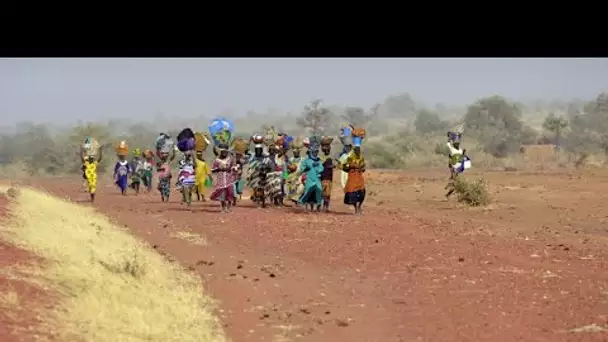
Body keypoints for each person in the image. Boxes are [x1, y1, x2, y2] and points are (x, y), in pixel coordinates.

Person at [246, 136, 274, 208]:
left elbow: (271, 166)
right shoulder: (252, 156)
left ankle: (264, 202)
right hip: (255, 176)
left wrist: (266, 170)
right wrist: (250, 141)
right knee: (256, 189)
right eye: (256, 150)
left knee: (265, 190)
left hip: (264, 176)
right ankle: (258, 202)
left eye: (259, 150)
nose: (258, 151)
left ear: (261, 150)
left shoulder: (265, 158)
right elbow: (246, 151)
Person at [297, 143, 325, 212]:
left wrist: (318, 168)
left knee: (319, 190)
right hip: (309, 178)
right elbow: (301, 168)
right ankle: (304, 205)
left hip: (317, 178)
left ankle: (318, 205)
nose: (315, 153)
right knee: (307, 192)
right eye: (314, 152)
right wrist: (306, 168)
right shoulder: (306, 161)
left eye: (316, 152)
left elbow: (321, 168)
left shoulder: (318, 160)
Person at [210, 143, 237, 212]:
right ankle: (223, 208)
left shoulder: (230, 159)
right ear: (221, 152)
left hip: (229, 179)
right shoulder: (217, 160)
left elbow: (234, 167)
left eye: (225, 152)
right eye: (223, 152)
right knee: (222, 195)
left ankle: (229, 207)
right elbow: (213, 170)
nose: (224, 153)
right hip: (221, 180)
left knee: (230, 194)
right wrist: (219, 168)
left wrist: (231, 169)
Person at [342, 144, 366, 215]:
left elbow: (363, 167)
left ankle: (359, 206)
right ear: (354, 151)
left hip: (359, 177)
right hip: (352, 177)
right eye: (357, 151)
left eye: (359, 151)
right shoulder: (350, 158)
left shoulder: (361, 158)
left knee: (362, 193)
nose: (358, 152)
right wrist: (351, 167)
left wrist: (361, 168)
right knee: (352, 194)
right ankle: (356, 209)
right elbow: (345, 166)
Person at [284, 138, 305, 205]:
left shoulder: (303, 160)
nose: (295, 152)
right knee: (285, 186)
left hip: (299, 179)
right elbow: (286, 170)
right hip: (290, 179)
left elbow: (304, 170)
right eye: (294, 150)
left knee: (301, 187)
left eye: (297, 150)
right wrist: (285, 177)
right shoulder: (290, 160)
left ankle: (298, 200)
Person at [445, 133, 465, 199]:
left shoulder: (460, 151)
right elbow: (448, 144)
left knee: (455, 183)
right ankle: (448, 192)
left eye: (457, 144)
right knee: (455, 183)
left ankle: (449, 189)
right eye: (456, 144)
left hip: (457, 169)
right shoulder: (453, 149)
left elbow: (461, 159)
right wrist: (450, 138)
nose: (457, 144)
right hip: (454, 168)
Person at [319, 136, 335, 212]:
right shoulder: (322, 158)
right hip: (324, 177)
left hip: (328, 177)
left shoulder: (328, 157)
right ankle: (323, 207)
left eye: (328, 149)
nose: (327, 150)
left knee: (327, 193)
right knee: (323, 193)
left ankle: (325, 207)